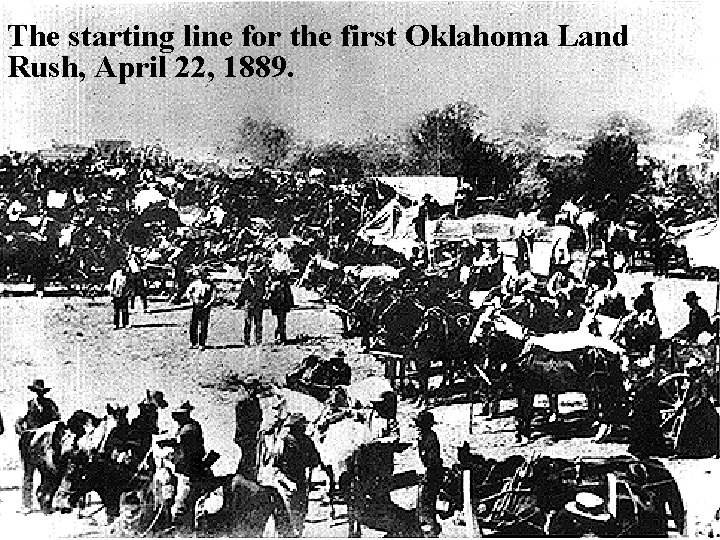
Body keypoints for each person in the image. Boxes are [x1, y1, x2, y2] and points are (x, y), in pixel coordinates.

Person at [158, 401, 206, 531]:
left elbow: (182, 447)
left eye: (178, 415)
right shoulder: (187, 427)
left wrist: (167, 444)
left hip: (190, 474)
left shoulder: (188, 429)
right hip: (185, 471)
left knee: (179, 509)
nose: (176, 418)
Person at [15, 379, 61, 514]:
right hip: (29, 442)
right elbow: (18, 423)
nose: (39, 395)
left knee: (47, 472)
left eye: (41, 392)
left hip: (45, 442)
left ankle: (44, 501)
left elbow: (57, 418)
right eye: (37, 392)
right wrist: (22, 432)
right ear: (34, 392)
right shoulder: (28, 405)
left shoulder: (50, 404)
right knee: (28, 473)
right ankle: (26, 504)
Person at [271, 413, 320, 537]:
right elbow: (275, 467)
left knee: (300, 516)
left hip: (301, 483)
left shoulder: (306, 441)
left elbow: (315, 461)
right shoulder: (284, 442)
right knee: (288, 518)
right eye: (301, 426)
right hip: (286, 485)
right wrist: (287, 482)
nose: (303, 428)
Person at [674, 358, 719, 458]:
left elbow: (702, 395)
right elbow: (687, 397)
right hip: (694, 406)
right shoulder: (690, 382)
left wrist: (691, 405)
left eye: (692, 371)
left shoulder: (701, 381)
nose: (690, 373)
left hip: (701, 407)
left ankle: (702, 450)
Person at [627, 358, 666, 458]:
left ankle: (646, 448)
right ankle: (642, 447)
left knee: (645, 427)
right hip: (643, 410)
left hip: (647, 410)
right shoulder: (643, 382)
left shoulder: (650, 383)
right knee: (642, 428)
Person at [415, 410, 443, 537]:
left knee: (427, 502)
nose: (418, 428)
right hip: (429, 471)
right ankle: (431, 527)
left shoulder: (430, 438)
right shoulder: (423, 437)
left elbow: (433, 460)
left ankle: (431, 530)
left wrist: (427, 475)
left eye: (420, 425)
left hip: (433, 473)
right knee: (425, 503)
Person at [234, 379, 263, 481]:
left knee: (251, 456)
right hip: (245, 435)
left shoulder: (254, 401)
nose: (255, 391)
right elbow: (242, 422)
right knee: (247, 456)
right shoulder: (243, 403)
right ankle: (243, 478)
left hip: (252, 434)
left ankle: (247, 477)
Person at [236, 262, 267, 345]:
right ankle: (247, 340)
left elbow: (263, 292)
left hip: (258, 304)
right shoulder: (246, 283)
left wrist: (260, 300)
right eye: (251, 273)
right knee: (248, 323)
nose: (253, 274)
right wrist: (239, 302)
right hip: (249, 304)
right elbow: (243, 294)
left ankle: (258, 340)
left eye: (254, 273)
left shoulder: (260, 282)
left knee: (258, 323)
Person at [185, 268, 216, 350]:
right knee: (193, 324)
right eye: (202, 275)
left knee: (203, 325)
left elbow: (213, 296)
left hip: (205, 306)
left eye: (205, 275)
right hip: (196, 305)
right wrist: (192, 300)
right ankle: (193, 342)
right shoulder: (195, 284)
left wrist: (208, 304)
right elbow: (188, 292)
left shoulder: (210, 285)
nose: (203, 277)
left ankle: (202, 343)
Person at [267, 272, 294, 344]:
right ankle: (280, 336)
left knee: (281, 321)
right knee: (281, 321)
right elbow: (271, 297)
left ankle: (281, 336)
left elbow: (289, 296)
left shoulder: (284, 286)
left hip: (282, 306)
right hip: (278, 306)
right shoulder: (276, 286)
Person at [127, 246, 148, 312]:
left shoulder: (130, 257)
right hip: (137, 275)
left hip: (133, 275)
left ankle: (132, 307)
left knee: (133, 292)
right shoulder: (135, 257)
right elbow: (142, 265)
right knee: (142, 292)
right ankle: (144, 308)